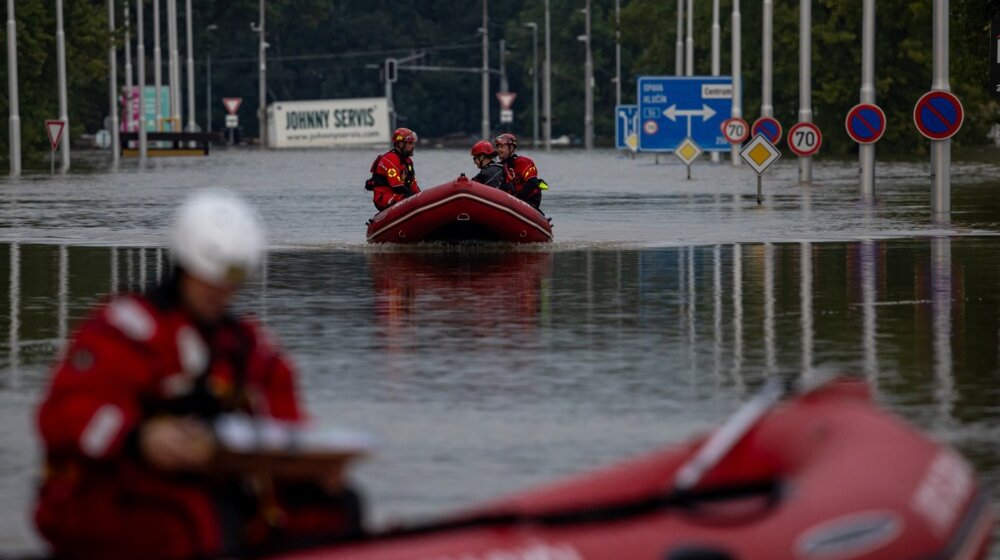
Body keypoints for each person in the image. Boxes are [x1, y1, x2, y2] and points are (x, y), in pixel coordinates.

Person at [33, 189, 363, 560]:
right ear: (184, 267)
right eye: (210, 280)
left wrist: (311, 463)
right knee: (197, 515)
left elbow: (285, 417)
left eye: (230, 283)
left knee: (335, 504)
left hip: (214, 488)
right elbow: (62, 416)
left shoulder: (247, 345)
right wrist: (139, 438)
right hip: (118, 497)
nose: (221, 293)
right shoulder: (126, 331)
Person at [365, 127, 420, 211]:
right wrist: (413, 197)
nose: (413, 146)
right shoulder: (390, 159)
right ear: (401, 144)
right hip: (384, 197)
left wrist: (421, 196)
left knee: (413, 198)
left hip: (398, 195)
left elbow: (412, 184)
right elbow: (396, 186)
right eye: (410, 143)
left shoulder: (408, 162)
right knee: (409, 199)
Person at [495, 132, 547, 210]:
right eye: (497, 147)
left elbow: (532, 182)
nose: (499, 150)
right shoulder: (503, 166)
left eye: (501, 147)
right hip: (515, 200)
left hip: (530, 200)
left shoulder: (522, 161)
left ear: (511, 148)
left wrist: (517, 198)